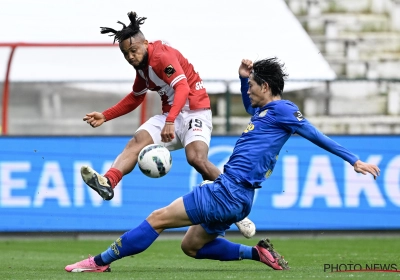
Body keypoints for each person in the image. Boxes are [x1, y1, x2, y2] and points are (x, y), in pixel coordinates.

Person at [65, 57, 380, 273]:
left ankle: (100, 261)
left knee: (157, 219)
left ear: (267, 88)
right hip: (238, 199)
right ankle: (257, 252)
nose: (251, 91)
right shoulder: (266, 113)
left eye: (254, 85)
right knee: (191, 245)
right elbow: (251, 105)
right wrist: (243, 79)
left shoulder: (284, 111)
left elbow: (314, 133)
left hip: (226, 193)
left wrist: (354, 160)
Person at [80, 11, 255, 238]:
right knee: (137, 141)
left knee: (197, 159)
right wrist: (106, 115)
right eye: (126, 54)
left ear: (146, 43)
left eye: (134, 50)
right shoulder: (141, 68)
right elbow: (135, 97)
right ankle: (109, 182)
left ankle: (238, 208)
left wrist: (170, 121)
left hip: (196, 110)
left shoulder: (161, 56)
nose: (131, 56)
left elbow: (182, 89)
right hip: (171, 114)